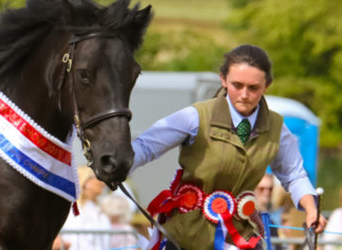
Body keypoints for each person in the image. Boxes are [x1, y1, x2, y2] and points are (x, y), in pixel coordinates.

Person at [130, 44, 327, 250]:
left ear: (266, 85)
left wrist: (311, 209)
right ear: (223, 79)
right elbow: (146, 147)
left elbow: (294, 176)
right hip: (185, 236)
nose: (244, 94)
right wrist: (115, 167)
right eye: (237, 85)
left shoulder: (277, 128)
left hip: (242, 237)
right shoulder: (194, 117)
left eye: (253, 88)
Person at [61, 166, 111, 250]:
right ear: (86, 182)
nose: (104, 183)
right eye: (98, 178)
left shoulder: (99, 210)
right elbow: (74, 242)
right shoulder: (74, 209)